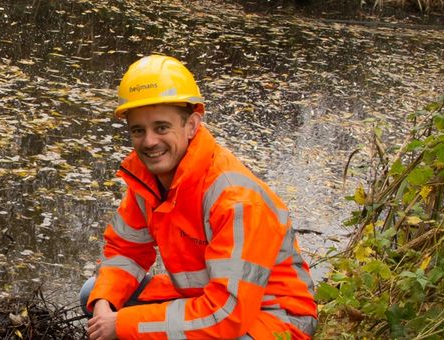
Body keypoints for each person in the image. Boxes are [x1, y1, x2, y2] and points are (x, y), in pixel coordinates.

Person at [80, 55, 318, 339]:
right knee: (92, 295)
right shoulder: (148, 181)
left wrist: (124, 325)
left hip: (272, 316)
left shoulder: (235, 198)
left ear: (192, 125)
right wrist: (105, 302)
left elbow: (228, 314)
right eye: (138, 130)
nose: (149, 142)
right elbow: (126, 251)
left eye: (161, 127)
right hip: (202, 296)